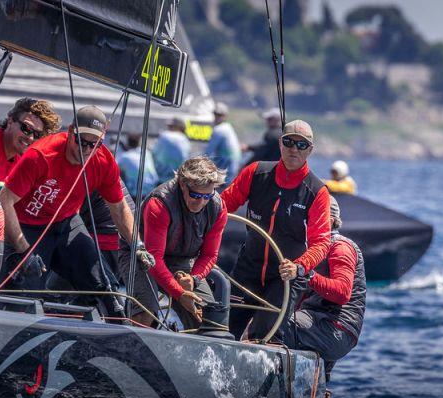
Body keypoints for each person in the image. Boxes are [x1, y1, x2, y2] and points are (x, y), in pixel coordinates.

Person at [0, 106, 154, 317]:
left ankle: (115, 331)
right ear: (71, 131)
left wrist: (138, 246)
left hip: (67, 223)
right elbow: (5, 200)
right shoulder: (41, 155)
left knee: (104, 284)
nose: (87, 149)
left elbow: (119, 208)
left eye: (95, 144)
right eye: (82, 141)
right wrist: (23, 250)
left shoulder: (103, 161)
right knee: (24, 290)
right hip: (28, 227)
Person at [220, 119, 331, 343]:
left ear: (310, 150)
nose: (294, 149)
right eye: (289, 142)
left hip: (284, 276)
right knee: (224, 330)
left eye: (301, 145)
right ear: (280, 143)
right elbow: (221, 208)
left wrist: (299, 266)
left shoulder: (317, 191)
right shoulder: (255, 172)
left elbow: (322, 242)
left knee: (264, 336)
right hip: (248, 268)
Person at [121, 156, 228, 330]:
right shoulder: (160, 203)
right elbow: (154, 259)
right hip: (142, 257)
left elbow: (210, 254)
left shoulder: (218, 207)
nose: (200, 202)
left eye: (207, 196)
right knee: (145, 315)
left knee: (210, 321)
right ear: (182, 184)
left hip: (181, 260)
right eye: (195, 195)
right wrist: (179, 294)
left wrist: (193, 279)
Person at [287, 197, 365, 380]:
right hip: (318, 321)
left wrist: (305, 274)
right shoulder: (312, 248)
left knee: (273, 324)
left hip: (336, 329)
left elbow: (342, 293)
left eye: (310, 216)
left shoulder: (340, 247)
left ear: (328, 220)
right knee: (269, 317)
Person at [205, 102, 242, 184]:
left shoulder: (219, 129)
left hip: (226, 168)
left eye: (219, 115)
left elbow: (207, 152)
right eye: (216, 114)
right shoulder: (228, 127)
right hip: (233, 168)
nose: (217, 117)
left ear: (225, 116)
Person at [152, 117, 191, 183]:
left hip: (161, 179)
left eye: (171, 126)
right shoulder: (185, 139)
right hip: (177, 180)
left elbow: (154, 154)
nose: (169, 128)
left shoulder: (164, 135)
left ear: (179, 127)